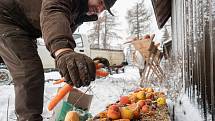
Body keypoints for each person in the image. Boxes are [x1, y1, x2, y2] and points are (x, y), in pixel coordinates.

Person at [0, 0, 117, 120]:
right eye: (101, 2)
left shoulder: (79, 13)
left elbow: (60, 33)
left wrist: (87, 64)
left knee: (32, 70)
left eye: (104, 8)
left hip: (26, 27)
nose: (99, 9)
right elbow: (54, 11)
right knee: (29, 71)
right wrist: (63, 52)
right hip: (7, 18)